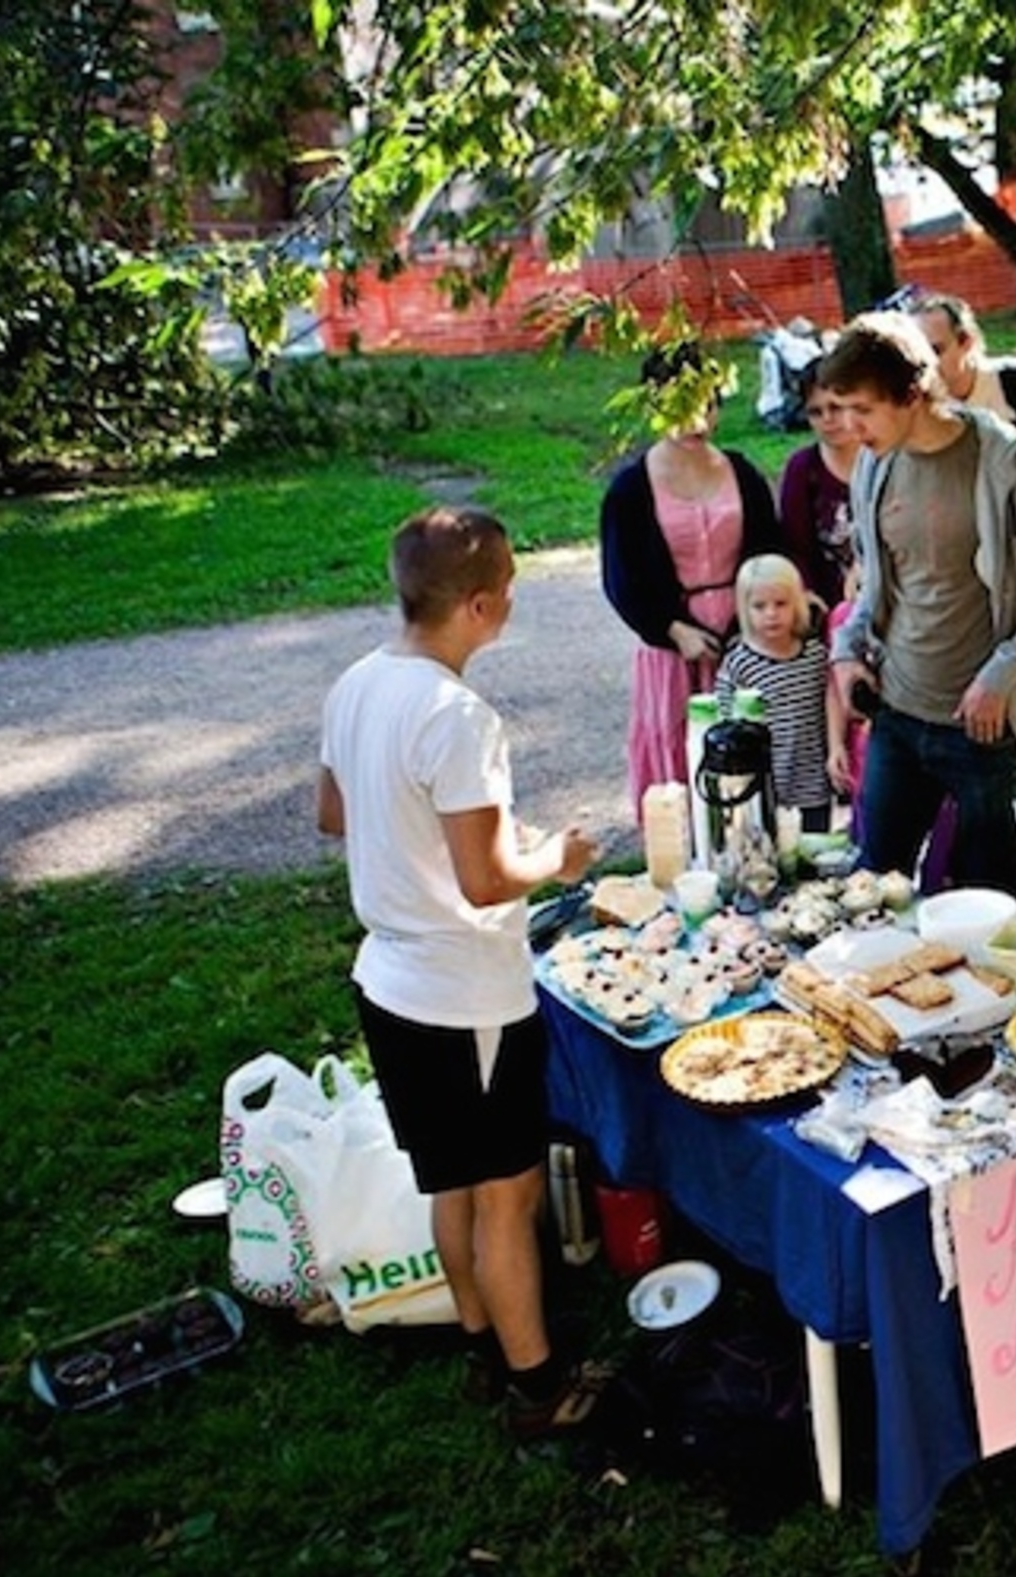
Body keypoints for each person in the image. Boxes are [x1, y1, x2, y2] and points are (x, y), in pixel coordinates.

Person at [317, 504, 603, 1438]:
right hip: (463, 993)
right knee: (506, 1197)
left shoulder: (359, 680)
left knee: (448, 1182)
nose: (515, 597)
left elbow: (336, 812)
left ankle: (482, 1341)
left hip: (388, 983)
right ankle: (540, 1384)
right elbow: (485, 881)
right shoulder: (458, 716)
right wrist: (553, 856)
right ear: (480, 606)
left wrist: (421, 851)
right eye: (512, 585)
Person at [823, 311, 1016, 896]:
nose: (850, 427)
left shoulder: (1014, 464)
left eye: (863, 410)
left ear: (912, 394)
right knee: (872, 892)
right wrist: (848, 648)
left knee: (990, 904)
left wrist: (1003, 673)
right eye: (842, 410)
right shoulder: (874, 466)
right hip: (897, 713)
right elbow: (882, 585)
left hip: (983, 725)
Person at [598, 344, 794, 825]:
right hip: (672, 646)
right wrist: (672, 629)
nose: (698, 423)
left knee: (749, 738)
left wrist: (751, 620)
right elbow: (621, 579)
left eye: (707, 405)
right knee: (675, 738)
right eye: (683, 409)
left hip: (744, 634)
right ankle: (684, 846)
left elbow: (769, 548)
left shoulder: (741, 472)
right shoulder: (630, 489)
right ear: (655, 405)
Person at [718, 553, 849, 834]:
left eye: (781, 604)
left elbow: (832, 700)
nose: (771, 614)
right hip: (762, 783)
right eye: (759, 606)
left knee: (812, 852)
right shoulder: (740, 663)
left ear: (797, 604)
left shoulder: (814, 655)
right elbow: (725, 720)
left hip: (811, 781)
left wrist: (836, 746)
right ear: (744, 609)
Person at [915, 295, 1016, 473]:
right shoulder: (923, 408)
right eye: (920, 353)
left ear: (966, 342)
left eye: (936, 350)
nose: (929, 363)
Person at [775, 361, 862, 605]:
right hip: (826, 606)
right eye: (816, 412)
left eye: (836, 408)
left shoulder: (883, 458)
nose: (827, 419)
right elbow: (795, 547)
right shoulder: (803, 469)